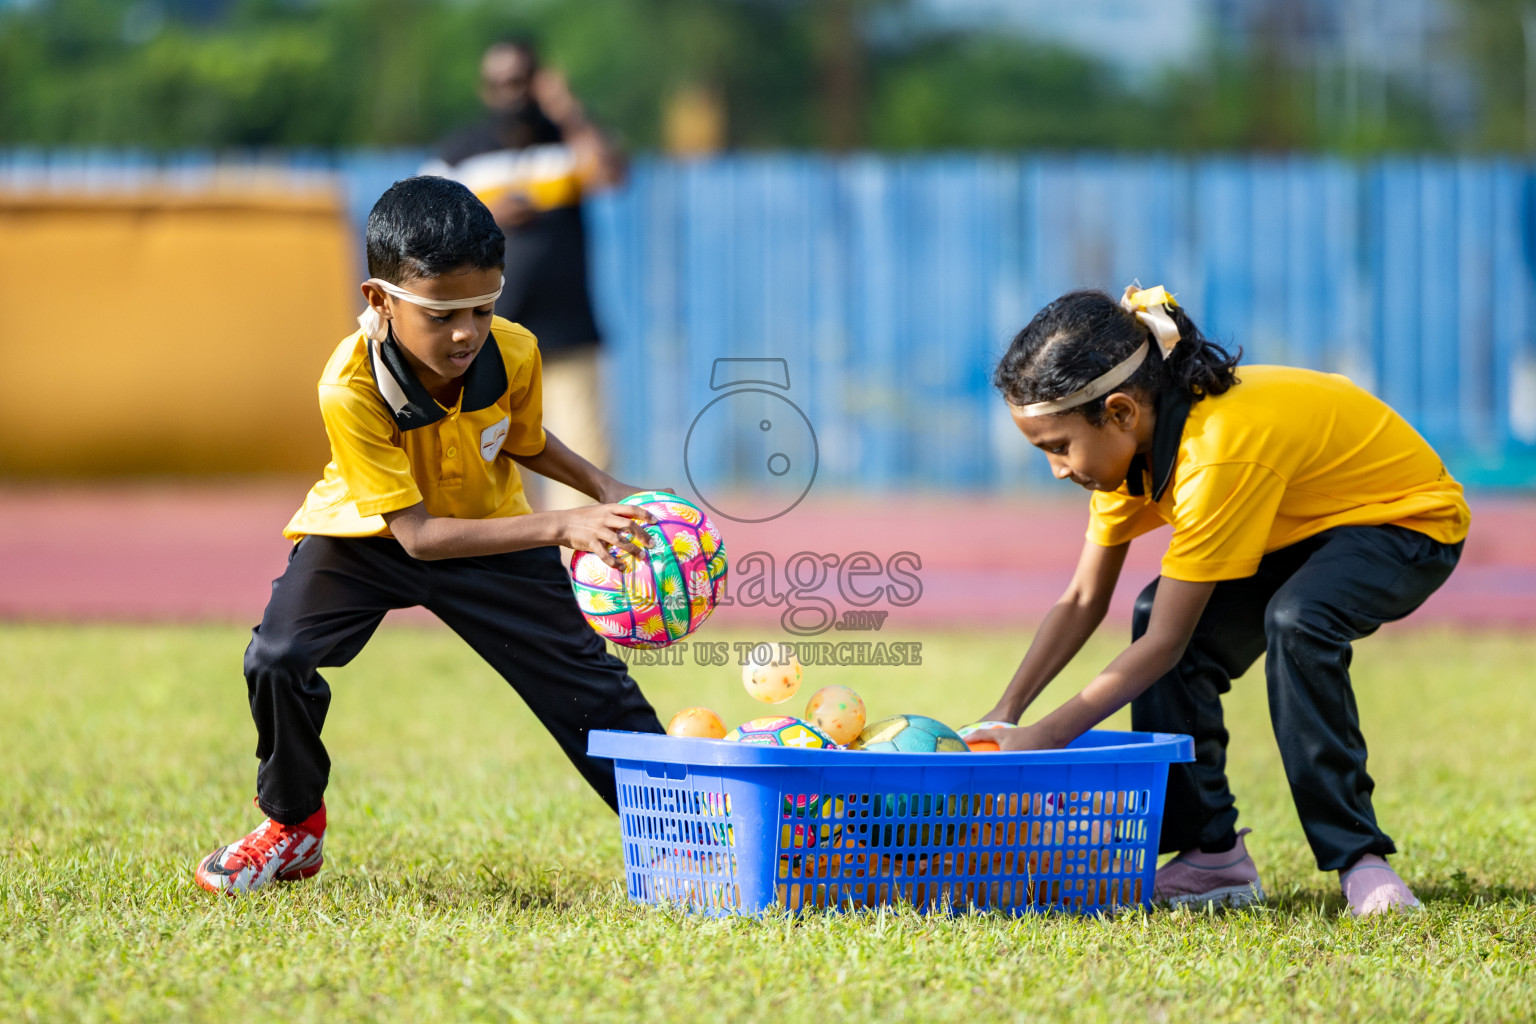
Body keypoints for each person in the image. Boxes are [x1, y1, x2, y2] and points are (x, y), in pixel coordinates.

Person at [195, 176, 666, 895]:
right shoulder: (348, 385)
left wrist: (604, 487)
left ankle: (687, 836)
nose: (466, 332)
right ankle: (292, 828)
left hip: (492, 531)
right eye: (443, 313)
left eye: (482, 307)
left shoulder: (513, 350)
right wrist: (566, 524)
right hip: (369, 537)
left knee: (592, 693)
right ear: (379, 300)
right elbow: (415, 537)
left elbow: (526, 439)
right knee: (278, 658)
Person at [972, 285, 1470, 917]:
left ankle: (1360, 860)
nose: (1057, 470)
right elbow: (1081, 601)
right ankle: (1212, 855)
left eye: (1058, 447)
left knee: (1298, 621)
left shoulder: (1216, 455)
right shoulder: (1134, 451)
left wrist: (1047, 737)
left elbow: (1165, 649)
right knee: (1158, 608)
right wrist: (1006, 714)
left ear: (1121, 412)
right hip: (1297, 526)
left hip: (1406, 521)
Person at [423, 38, 623, 513]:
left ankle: (585, 584)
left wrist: (568, 109)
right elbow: (421, 224)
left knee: (582, 471)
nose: (508, 93)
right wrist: (482, 211)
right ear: (484, 88)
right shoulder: (460, 153)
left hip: (566, 332)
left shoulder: (564, 141)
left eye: (518, 81)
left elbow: (610, 174)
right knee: (485, 473)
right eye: (498, 83)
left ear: (537, 81)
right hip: (484, 339)